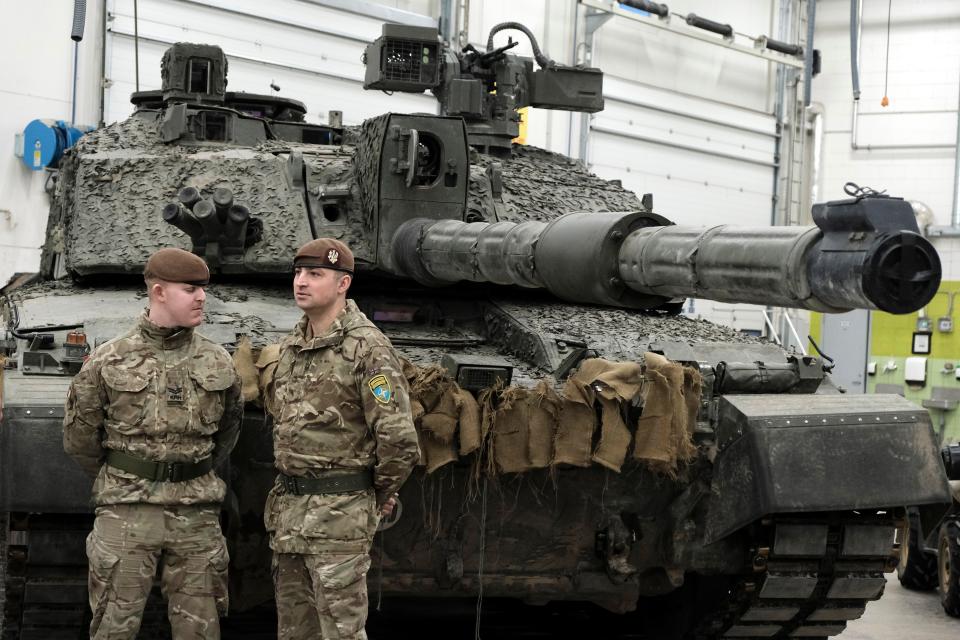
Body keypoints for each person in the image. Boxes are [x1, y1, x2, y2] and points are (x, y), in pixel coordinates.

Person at [63, 247, 242, 639]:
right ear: (159, 292)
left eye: (203, 289)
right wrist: (132, 475)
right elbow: (80, 438)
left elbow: (227, 433)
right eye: (190, 288)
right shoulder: (107, 361)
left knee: (201, 633)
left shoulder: (218, 362)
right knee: (113, 629)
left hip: (197, 516)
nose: (201, 297)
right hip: (127, 511)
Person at [263, 238, 420, 640]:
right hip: (290, 515)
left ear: (342, 284)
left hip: (339, 519)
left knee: (341, 632)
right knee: (295, 631)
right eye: (298, 273)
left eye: (315, 274)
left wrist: (374, 494)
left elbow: (399, 440)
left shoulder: (367, 349)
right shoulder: (293, 347)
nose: (302, 282)